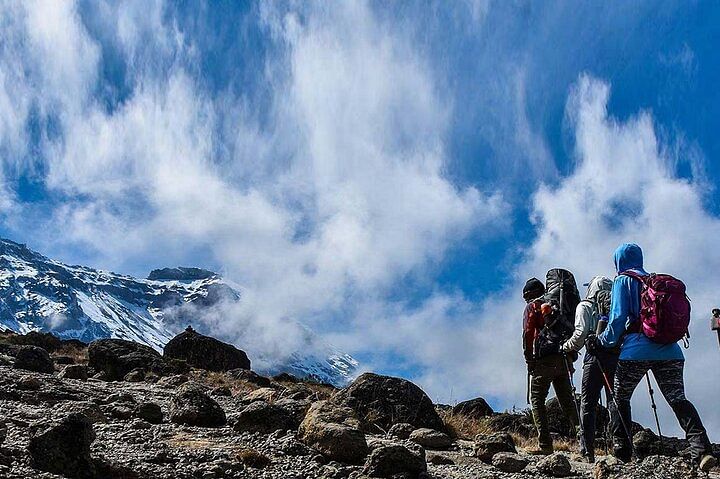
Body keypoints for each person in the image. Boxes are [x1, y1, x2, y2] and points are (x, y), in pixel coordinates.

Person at [594, 243, 716, 471]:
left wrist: (601, 341)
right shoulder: (655, 282)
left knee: (619, 396)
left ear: (618, 260)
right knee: (678, 399)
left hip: (635, 351)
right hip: (670, 350)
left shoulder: (623, 280)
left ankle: (622, 451)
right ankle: (702, 450)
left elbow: (618, 319)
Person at [523, 277, 580, 455]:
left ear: (533, 293)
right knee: (568, 402)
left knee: (537, 400)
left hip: (544, 360)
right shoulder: (558, 305)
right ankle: (585, 442)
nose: (525, 298)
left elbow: (528, 333)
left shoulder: (533, 306)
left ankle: (545, 445)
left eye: (526, 295)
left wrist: (529, 358)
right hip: (564, 358)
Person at [560, 275, 614, 463]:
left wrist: (565, 347)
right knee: (614, 402)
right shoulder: (615, 304)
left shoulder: (585, 306)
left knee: (588, 403)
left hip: (594, 356)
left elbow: (580, 335)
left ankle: (587, 451)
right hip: (616, 356)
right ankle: (621, 448)